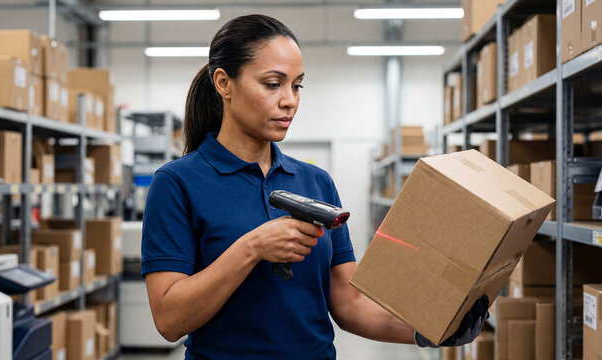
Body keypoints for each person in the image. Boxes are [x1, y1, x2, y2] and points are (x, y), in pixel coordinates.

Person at [142, 14, 489, 360]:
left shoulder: (315, 182)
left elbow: (349, 304)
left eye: (296, 85)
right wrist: (252, 248)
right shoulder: (177, 183)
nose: (290, 100)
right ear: (224, 83)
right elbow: (169, 319)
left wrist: (428, 330)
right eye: (272, 83)